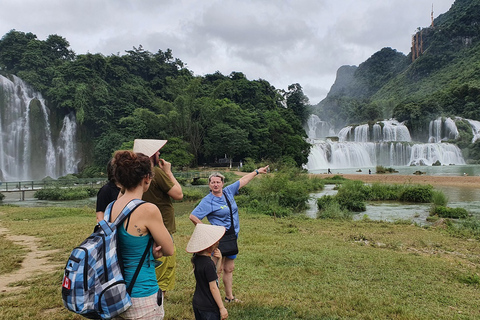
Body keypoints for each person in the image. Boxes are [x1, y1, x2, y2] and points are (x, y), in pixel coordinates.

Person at [189, 166, 269, 303]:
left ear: (222, 183)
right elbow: (193, 216)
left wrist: (256, 172)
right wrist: (208, 231)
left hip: (232, 237)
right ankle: (209, 298)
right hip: (218, 240)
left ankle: (229, 297)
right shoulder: (208, 201)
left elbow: (243, 180)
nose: (215, 184)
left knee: (229, 268)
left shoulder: (228, 192)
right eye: (212, 182)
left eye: (218, 182)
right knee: (214, 270)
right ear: (209, 184)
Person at [110, 150, 174, 320]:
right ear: (147, 178)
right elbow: (169, 249)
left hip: (114, 293)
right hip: (142, 294)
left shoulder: (111, 207)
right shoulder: (147, 210)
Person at [133, 139, 184, 295]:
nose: (159, 153)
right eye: (157, 151)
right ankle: (157, 300)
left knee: (148, 264)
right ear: (151, 155)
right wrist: (168, 172)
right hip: (161, 228)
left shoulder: (133, 175)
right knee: (163, 267)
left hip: (140, 228)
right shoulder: (156, 173)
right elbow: (178, 194)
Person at [186, 224, 228, 320]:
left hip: (197, 303)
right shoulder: (208, 264)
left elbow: (213, 273)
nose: (218, 242)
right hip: (209, 307)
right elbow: (213, 287)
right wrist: (222, 308)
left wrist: (219, 259)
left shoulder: (197, 258)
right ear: (210, 247)